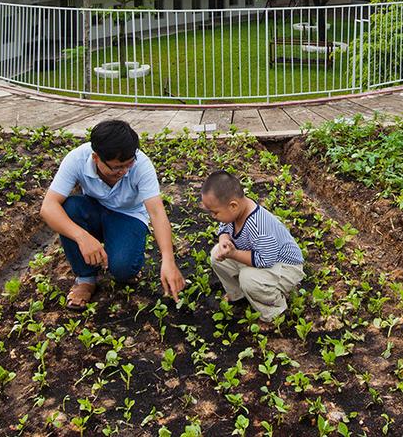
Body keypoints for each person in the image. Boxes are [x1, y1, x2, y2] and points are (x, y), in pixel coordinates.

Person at [40, 120, 185, 310]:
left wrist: (168, 259)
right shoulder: (77, 159)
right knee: (69, 208)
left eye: (128, 164)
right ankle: (85, 278)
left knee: (123, 269)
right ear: (96, 158)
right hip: (93, 210)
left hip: (128, 216)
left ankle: (120, 253)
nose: (123, 171)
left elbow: (157, 212)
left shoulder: (141, 165)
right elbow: (48, 207)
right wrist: (82, 237)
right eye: (116, 167)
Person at [203, 170, 304, 322]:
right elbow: (224, 227)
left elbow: (265, 260)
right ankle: (238, 295)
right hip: (255, 256)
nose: (213, 216)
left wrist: (234, 254)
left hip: (285, 266)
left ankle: (274, 310)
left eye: (215, 213)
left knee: (248, 279)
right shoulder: (233, 212)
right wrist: (224, 240)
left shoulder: (258, 225)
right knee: (216, 255)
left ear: (233, 205)